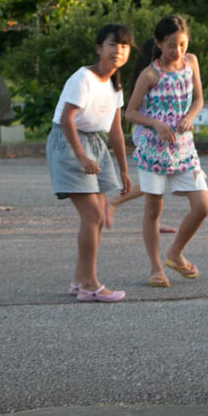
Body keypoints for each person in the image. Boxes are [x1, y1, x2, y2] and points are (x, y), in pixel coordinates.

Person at [46, 23, 134, 302]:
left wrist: (123, 169)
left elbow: (116, 131)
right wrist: (81, 156)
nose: (118, 50)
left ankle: (79, 280)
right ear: (99, 48)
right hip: (69, 142)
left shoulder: (114, 84)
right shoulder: (83, 78)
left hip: (94, 144)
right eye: (112, 44)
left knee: (96, 218)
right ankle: (90, 284)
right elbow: (66, 119)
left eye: (124, 46)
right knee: (93, 216)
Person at [125, 15, 208, 288]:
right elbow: (130, 113)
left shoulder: (192, 62)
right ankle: (156, 268)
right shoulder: (150, 74)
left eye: (183, 44)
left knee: (202, 206)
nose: (178, 51)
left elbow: (198, 99)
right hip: (154, 151)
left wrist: (190, 117)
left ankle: (174, 253)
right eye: (172, 45)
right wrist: (156, 124)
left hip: (184, 148)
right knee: (153, 211)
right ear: (160, 43)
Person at [104, 38, 176, 235]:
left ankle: (152, 220)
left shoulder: (155, 75)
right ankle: (114, 202)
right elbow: (135, 112)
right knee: (157, 176)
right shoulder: (150, 77)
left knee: (158, 175)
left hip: (154, 133)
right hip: (146, 133)